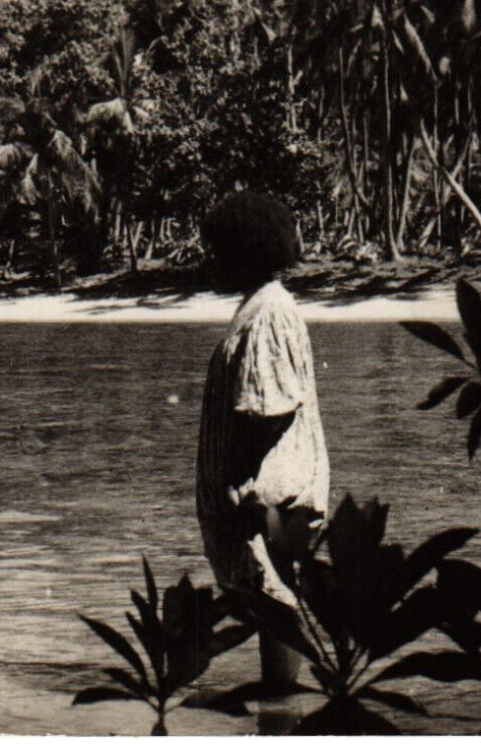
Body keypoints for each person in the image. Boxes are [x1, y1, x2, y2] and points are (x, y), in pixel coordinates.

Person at [195, 190, 329, 691]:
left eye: (218, 249)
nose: (210, 261)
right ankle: (281, 718)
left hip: (266, 496)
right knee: (273, 602)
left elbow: (269, 410)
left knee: (276, 606)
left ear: (243, 251)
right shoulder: (262, 307)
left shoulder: (268, 312)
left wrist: (237, 478)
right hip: (264, 495)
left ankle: (281, 717)